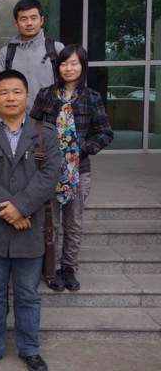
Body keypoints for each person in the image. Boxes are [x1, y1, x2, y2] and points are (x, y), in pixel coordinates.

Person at [0, 69, 59, 371]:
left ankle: (29, 348)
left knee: (28, 294)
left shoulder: (45, 135)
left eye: (17, 91)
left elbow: (49, 176)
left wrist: (21, 207)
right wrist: (10, 211)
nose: (10, 97)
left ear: (26, 96)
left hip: (28, 228)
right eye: (3, 92)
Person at [30, 44, 113, 292]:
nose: (68, 68)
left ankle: (69, 268)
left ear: (82, 66)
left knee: (74, 222)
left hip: (79, 170)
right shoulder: (46, 95)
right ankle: (52, 268)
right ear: (58, 67)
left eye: (74, 63)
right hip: (49, 170)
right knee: (51, 223)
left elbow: (105, 133)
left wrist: (82, 148)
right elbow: (33, 127)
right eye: (64, 63)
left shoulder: (92, 97)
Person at [0, 0, 64, 109]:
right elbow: (0, 87)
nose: (29, 23)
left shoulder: (56, 48)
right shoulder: (6, 53)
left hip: (50, 114)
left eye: (33, 18)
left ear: (41, 20)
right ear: (16, 23)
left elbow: (69, 84)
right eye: (23, 19)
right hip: (16, 115)